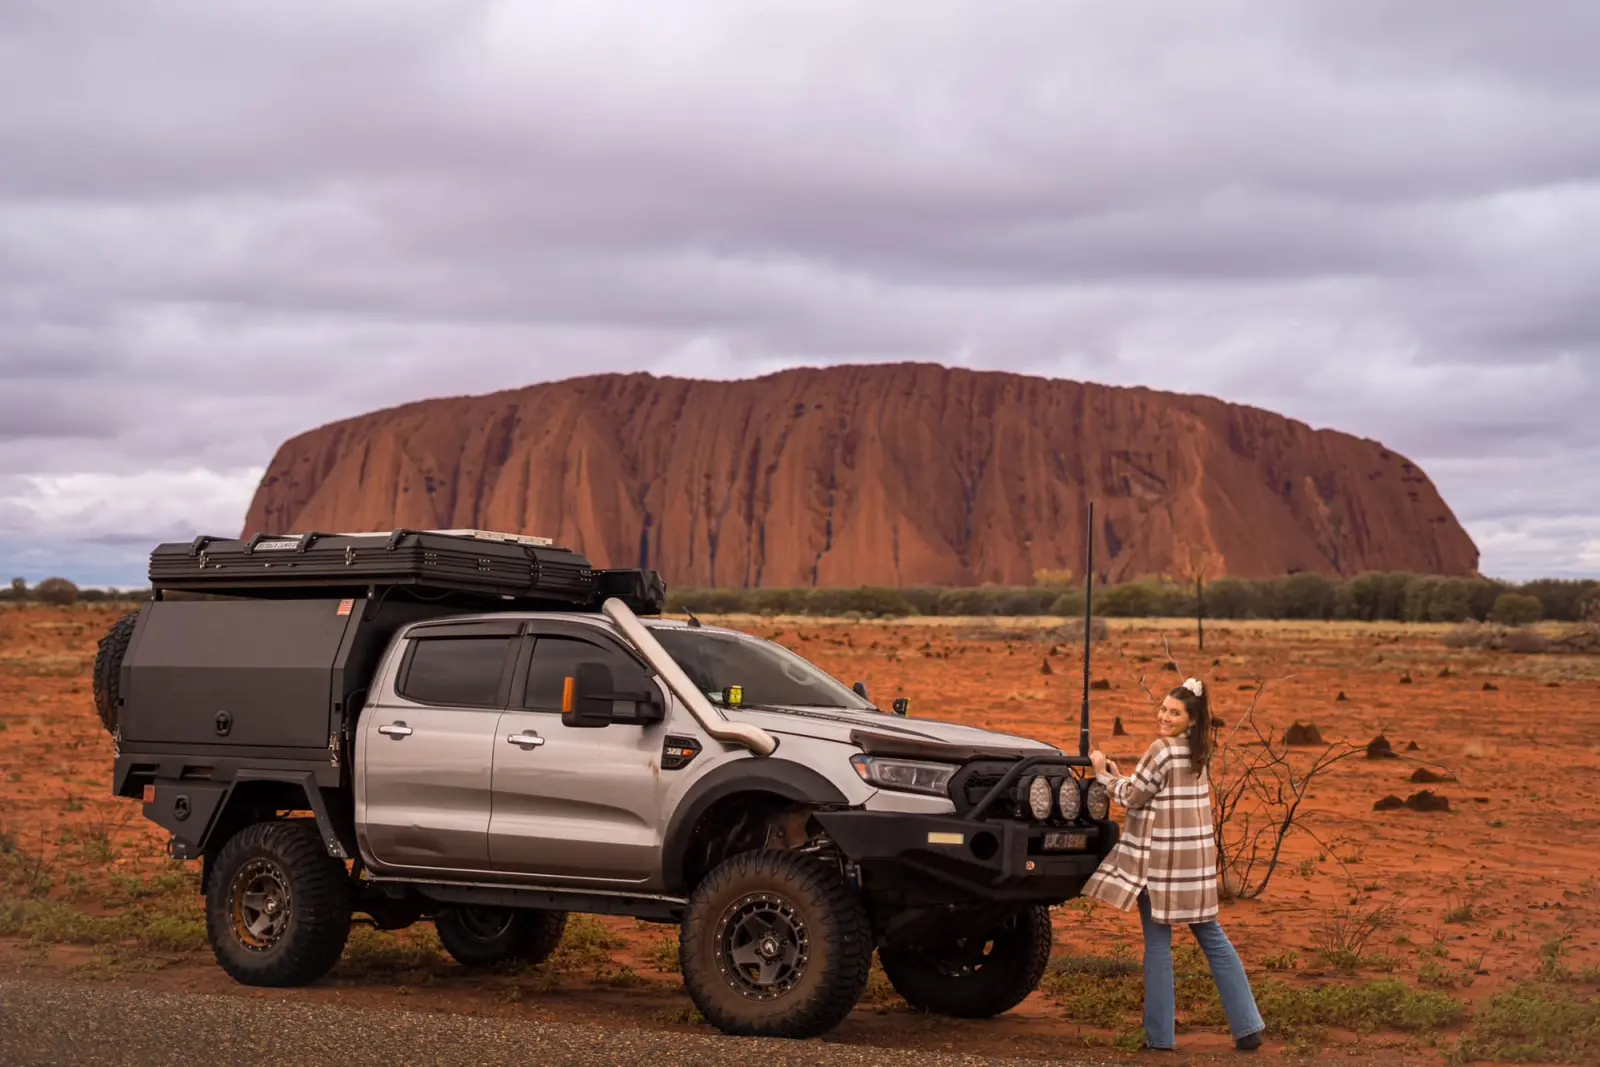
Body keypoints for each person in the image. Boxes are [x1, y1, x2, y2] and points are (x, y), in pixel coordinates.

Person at [1083, 677, 1266, 1052]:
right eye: (1164, 708)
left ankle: (1160, 1039)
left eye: (1174, 712)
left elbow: (1134, 797)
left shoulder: (1162, 749)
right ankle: (1248, 1027)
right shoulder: (1199, 751)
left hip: (1162, 863)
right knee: (1213, 938)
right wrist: (1122, 777)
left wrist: (1102, 774)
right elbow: (1153, 791)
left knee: (1158, 946)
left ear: (1192, 719)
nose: (1164, 716)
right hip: (1194, 863)